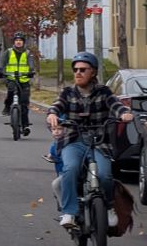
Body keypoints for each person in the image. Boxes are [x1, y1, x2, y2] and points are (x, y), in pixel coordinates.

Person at [47, 52, 133, 230]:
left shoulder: (104, 92)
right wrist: (53, 113)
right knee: (70, 169)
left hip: (99, 141)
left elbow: (115, 105)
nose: (78, 73)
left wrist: (123, 113)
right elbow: (56, 105)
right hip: (73, 140)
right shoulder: (68, 92)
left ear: (93, 72)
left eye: (83, 69)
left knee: (104, 175)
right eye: (75, 69)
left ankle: (108, 207)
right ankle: (69, 212)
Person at [0, 32, 38, 133]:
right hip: (11, 78)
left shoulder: (28, 53)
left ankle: (25, 125)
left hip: (24, 79)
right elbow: (2, 62)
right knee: (11, 91)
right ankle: (7, 106)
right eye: (16, 40)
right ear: (14, 42)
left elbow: (31, 64)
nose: (18, 42)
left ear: (23, 42)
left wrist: (31, 71)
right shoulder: (8, 52)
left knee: (24, 103)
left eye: (20, 40)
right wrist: (0, 70)